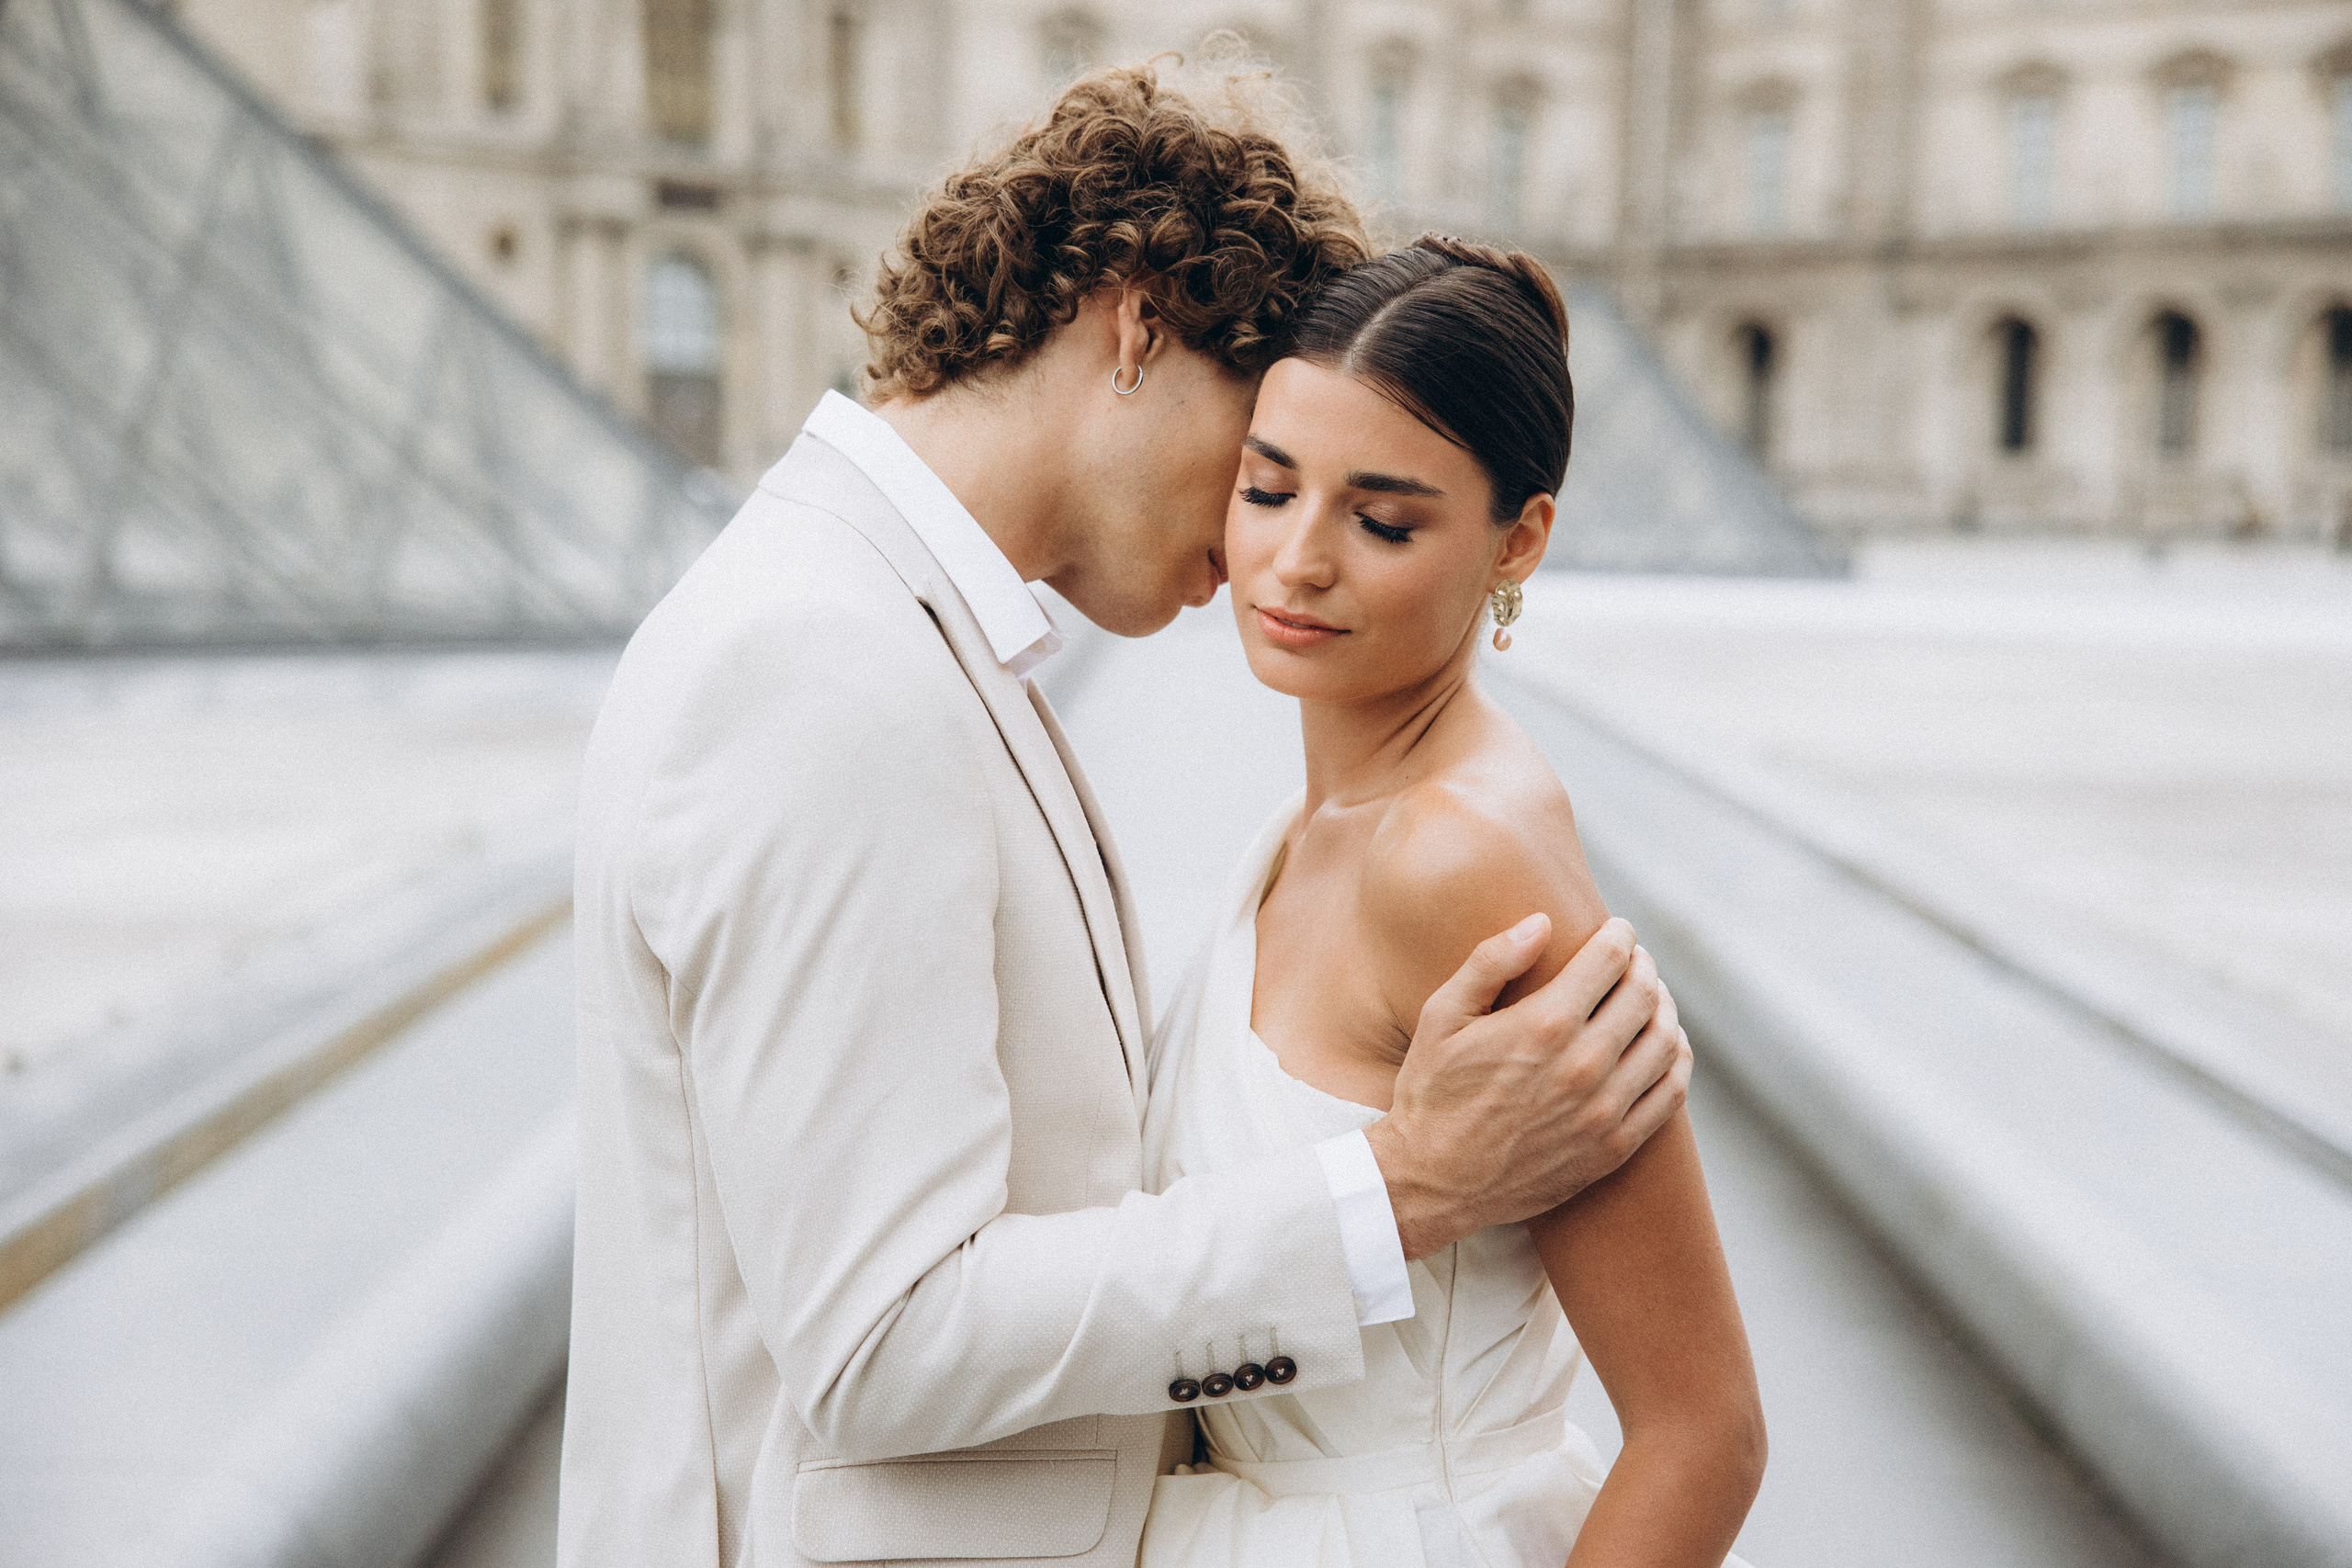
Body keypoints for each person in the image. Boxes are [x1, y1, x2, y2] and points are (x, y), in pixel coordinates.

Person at [557, 58, 1692, 1568]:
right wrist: (1404, 1187)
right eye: (1258, 460)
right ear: (1139, 324)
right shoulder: (823, 665)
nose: (1258, 537)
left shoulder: (893, 629)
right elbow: (885, 1338)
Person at [1138, 237, 1766, 1568]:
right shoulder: (1322, 820)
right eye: (1268, 487)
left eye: (1381, 519)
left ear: (1517, 537)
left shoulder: (1460, 858)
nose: (1296, 560)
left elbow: (1703, 1429)